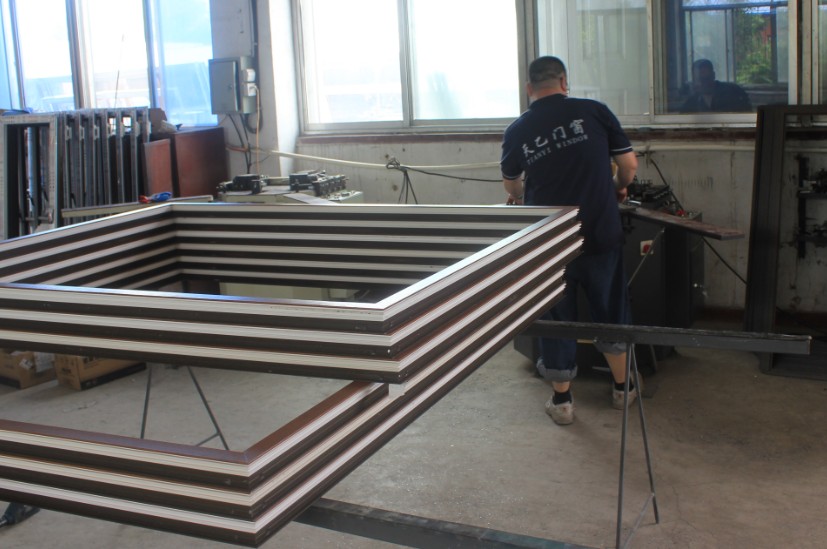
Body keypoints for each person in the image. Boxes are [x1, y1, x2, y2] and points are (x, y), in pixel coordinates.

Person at [500, 55, 638, 426]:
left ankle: (562, 402)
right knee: (610, 309)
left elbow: (512, 185)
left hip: (550, 242)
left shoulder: (518, 129)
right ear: (564, 82)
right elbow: (629, 166)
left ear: (529, 89)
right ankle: (623, 390)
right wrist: (616, 187)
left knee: (557, 315)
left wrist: (520, 195)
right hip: (598, 231)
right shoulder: (594, 112)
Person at [680, 59, 752, 113]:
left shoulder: (732, 93)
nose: (703, 83)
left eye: (706, 79)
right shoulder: (691, 103)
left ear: (713, 75)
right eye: (699, 79)